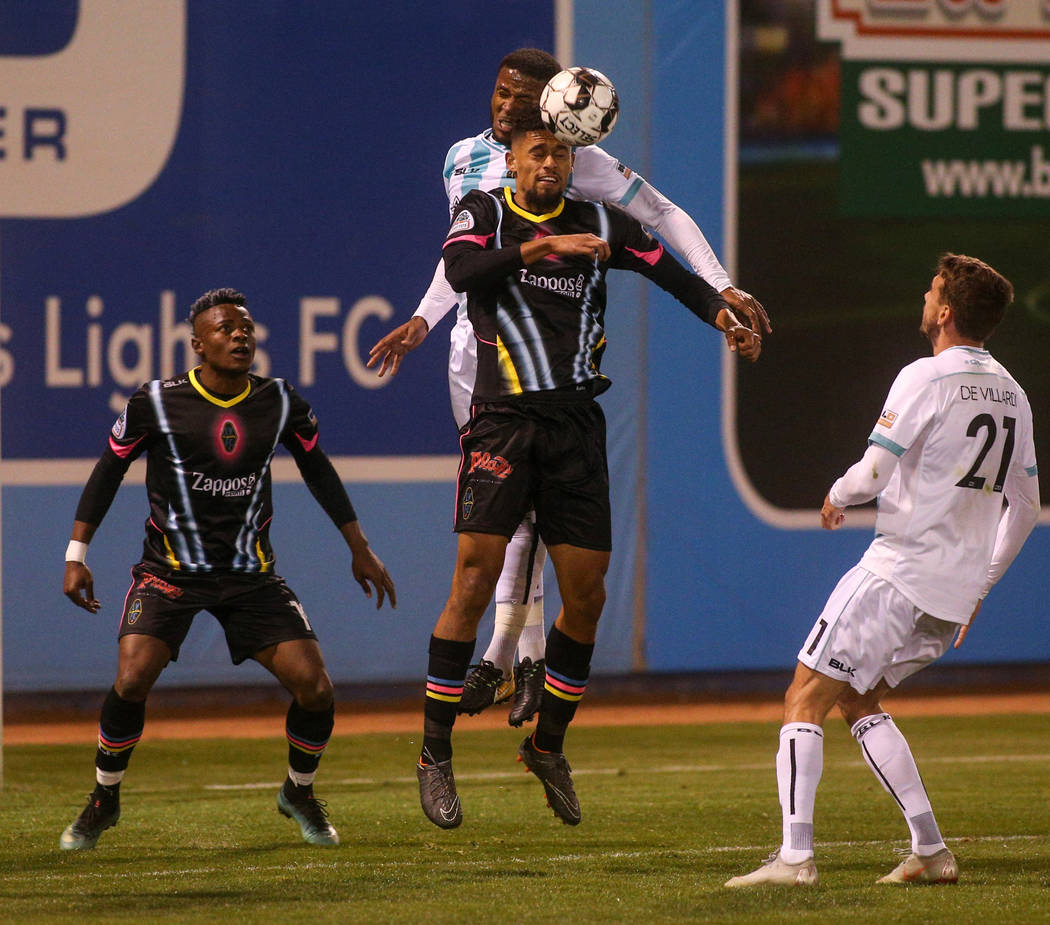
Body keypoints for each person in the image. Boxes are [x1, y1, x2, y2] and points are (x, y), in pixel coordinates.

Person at [370, 48, 771, 728]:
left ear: (555, 106)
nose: (508, 107)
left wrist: (719, 282)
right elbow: (460, 254)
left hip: (550, 349)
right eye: (501, 94)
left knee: (532, 510)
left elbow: (663, 216)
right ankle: (508, 657)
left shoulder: (578, 161)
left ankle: (512, 655)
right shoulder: (460, 159)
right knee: (499, 516)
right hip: (476, 348)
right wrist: (423, 319)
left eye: (524, 101)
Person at [415, 115, 760, 829]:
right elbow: (461, 271)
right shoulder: (484, 211)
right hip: (502, 421)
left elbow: (666, 268)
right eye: (537, 152)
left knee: (588, 595)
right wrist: (543, 245)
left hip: (574, 428)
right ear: (511, 161)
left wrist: (720, 312)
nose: (550, 163)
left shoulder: (603, 222)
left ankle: (547, 746)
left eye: (562, 153)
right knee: (473, 578)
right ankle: (434, 751)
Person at [725, 254, 1039, 887]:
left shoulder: (924, 376)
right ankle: (930, 850)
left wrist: (837, 496)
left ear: (946, 311)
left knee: (804, 698)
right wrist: (981, 586)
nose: (924, 297)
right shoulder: (1013, 393)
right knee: (858, 698)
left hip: (898, 571)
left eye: (932, 290)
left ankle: (794, 858)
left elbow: (873, 473)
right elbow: (1025, 507)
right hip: (950, 594)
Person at [59, 288, 396, 851]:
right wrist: (76, 555)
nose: (240, 335)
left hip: (250, 577)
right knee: (133, 676)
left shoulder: (280, 401)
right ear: (197, 344)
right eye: (224, 329)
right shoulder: (156, 402)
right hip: (169, 573)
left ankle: (298, 792)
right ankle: (103, 798)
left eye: (246, 327)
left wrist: (358, 546)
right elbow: (107, 472)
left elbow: (319, 470)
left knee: (315, 689)